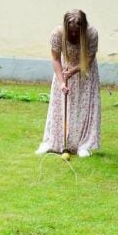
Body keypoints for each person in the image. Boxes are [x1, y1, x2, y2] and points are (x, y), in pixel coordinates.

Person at [38, 9, 101, 157]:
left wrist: (74, 71)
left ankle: (83, 145)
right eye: (71, 31)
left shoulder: (91, 34)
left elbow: (89, 59)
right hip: (63, 72)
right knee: (60, 107)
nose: (73, 34)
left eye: (76, 32)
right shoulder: (57, 34)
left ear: (83, 28)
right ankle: (53, 142)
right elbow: (55, 59)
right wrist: (61, 82)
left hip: (85, 72)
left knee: (84, 108)